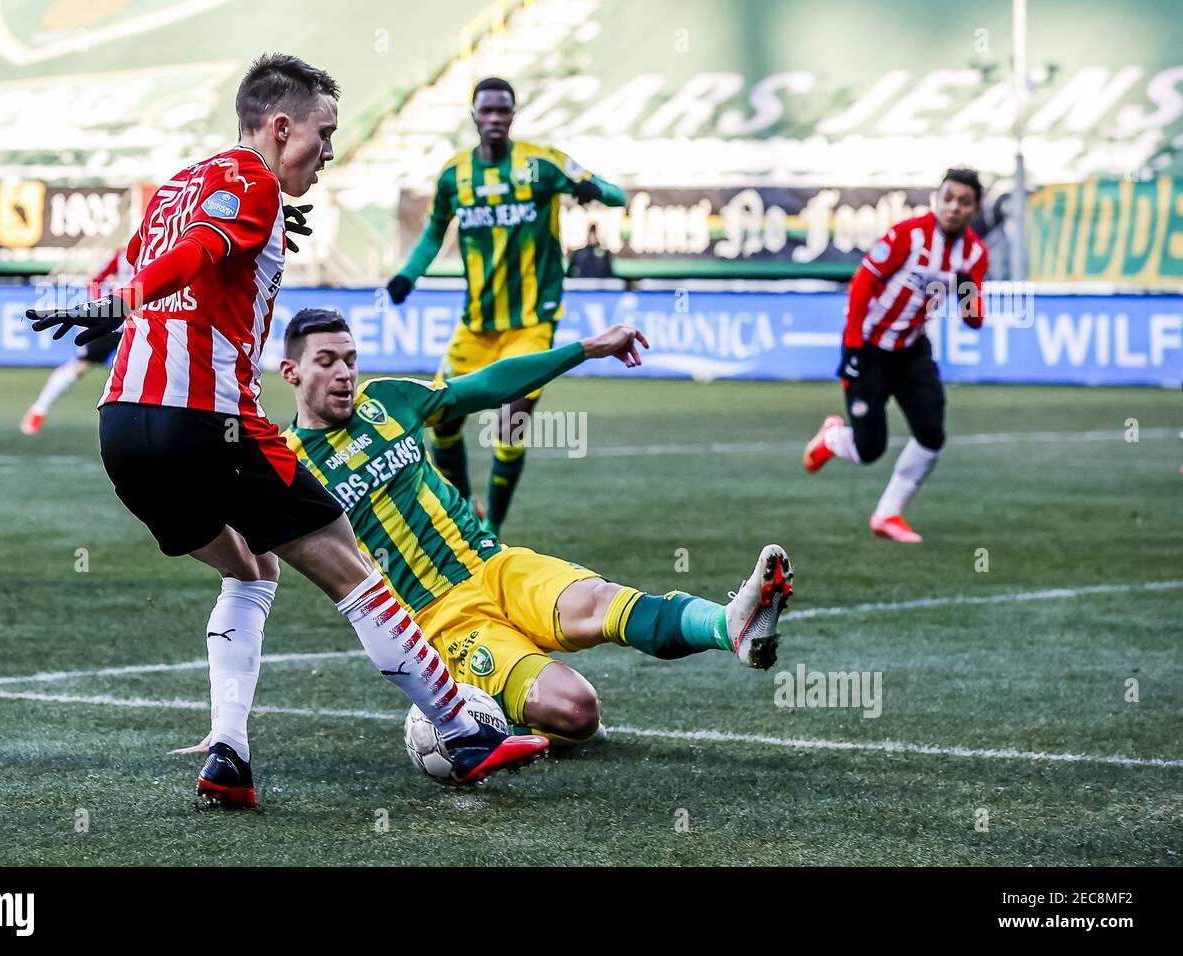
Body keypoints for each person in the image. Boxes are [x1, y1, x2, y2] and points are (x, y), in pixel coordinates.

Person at [25, 54, 547, 806]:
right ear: (279, 126)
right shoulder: (255, 184)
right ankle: (464, 732)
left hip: (123, 428)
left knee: (250, 570)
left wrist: (120, 291)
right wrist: (128, 296)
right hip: (210, 422)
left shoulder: (182, 184)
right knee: (352, 568)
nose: (329, 152)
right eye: (323, 134)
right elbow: (199, 251)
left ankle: (228, 756)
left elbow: (182, 246)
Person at [276, 308, 794, 748]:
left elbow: (489, 384)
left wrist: (587, 348)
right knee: (578, 712)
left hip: (495, 565)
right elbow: (251, 558)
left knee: (601, 602)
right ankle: (498, 717)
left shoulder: (388, 400)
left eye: (349, 359)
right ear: (291, 372)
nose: (343, 372)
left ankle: (730, 625)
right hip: (440, 621)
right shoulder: (286, 466)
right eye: (326, 362)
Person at [385, 77, 627, 537]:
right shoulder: (454, 174)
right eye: (487, 111)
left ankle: (491, 525)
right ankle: (463, 511)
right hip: (476, 325)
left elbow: (616, 194)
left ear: (513, 116)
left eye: (503, 111)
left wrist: (595, 192)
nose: (495, 119)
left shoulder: (542, 164)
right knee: (441, 418)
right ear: (473, 115)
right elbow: (436, 232)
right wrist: (407, 276)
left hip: (533, 322)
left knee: (511, 419)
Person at [802, 167, 989, 543]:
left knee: (932, 434)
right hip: (869, 348)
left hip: (911, 351)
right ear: (938, 199)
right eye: (948, 198)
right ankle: (833, 437)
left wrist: (969, 290)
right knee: (870, 449)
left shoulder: (973, 254)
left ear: (975, 209)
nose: (953, 207)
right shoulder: (908, 235)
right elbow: (862, 284)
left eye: (964, 202)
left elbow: (974, 320)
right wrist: (854, 345)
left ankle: (888, 514)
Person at [20, 249, 132, 436]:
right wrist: (102, 306)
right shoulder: (123, 254)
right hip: (117, 320)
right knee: (80, 366)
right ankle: (39, 409)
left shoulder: (168, 248)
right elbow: (95, 281)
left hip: (147, 322)